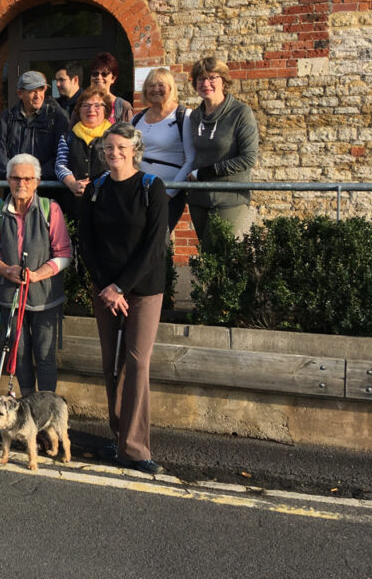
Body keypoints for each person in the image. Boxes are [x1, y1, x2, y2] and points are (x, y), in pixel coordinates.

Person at [79, 123, 168, 475]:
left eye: (120, 147)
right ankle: (119, 436)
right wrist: (107, 287)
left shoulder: (152, 187)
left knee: (136, 363)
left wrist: (122, 286)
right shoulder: (95, 190)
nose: (113, 153)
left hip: (144, 289)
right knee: (111, 365)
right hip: (105, 289)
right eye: (108, 148)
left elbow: (153, 246)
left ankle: (135, 448)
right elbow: (85, 241)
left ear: (134, 150)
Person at [0, 153, 72, 396]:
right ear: (7, 180)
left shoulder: (50, 209)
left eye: (27, 178)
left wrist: (37, 275)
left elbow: (65, 253)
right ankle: (26, 405)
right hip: (10, 296)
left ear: (37, 181)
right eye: (15, 178)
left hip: (45, 297)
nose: (21, 184)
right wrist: (6, 270)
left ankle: (45, 408)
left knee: (44, 356)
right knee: (19, 352)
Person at [186, 56, 259, 247]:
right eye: (200, 79)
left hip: (230, 196)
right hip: (199, 196)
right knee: (208, 258)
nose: (206, 83)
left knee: (218, 252)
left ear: (224, 81)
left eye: (212, 77)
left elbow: (248, 158)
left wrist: (207, 171)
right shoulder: (194, 117)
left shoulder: (241, 113)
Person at [132, 67, 195, 230]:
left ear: (171, 88)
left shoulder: (184, 116)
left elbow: (191, 159)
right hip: (138, 193)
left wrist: (169, 193)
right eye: (151, 85)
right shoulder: (137, 118)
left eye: (161, 85)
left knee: (159, 241)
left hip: (167, 193)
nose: (155, 89)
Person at [0, 70, 69, 181]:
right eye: (32, 91)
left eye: (41, 90)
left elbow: (61, 154)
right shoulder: (7, 117)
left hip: (47, 188)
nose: (38, 96)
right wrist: (15, 177)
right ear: (20, 94)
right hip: (14, 186)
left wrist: (34, 176)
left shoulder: (56, 116)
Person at [55, 85, 113, 219]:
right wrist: (72, 184)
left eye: (97, 105)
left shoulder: (114, 137)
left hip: (106, 203)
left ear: (106, 110)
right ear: (79, 110)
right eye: (85, 105)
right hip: (75, 205)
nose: (91, 109)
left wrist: (96, 186)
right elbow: (60, 165)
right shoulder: (67, 137)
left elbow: (118, 165)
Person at [85, 52, 133, 124]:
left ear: (113, 78)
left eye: (104, 74)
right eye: (95, 73)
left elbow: (129, 133)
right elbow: (72, 132)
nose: (99, 77)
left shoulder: (123, 106)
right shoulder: (82, 104)